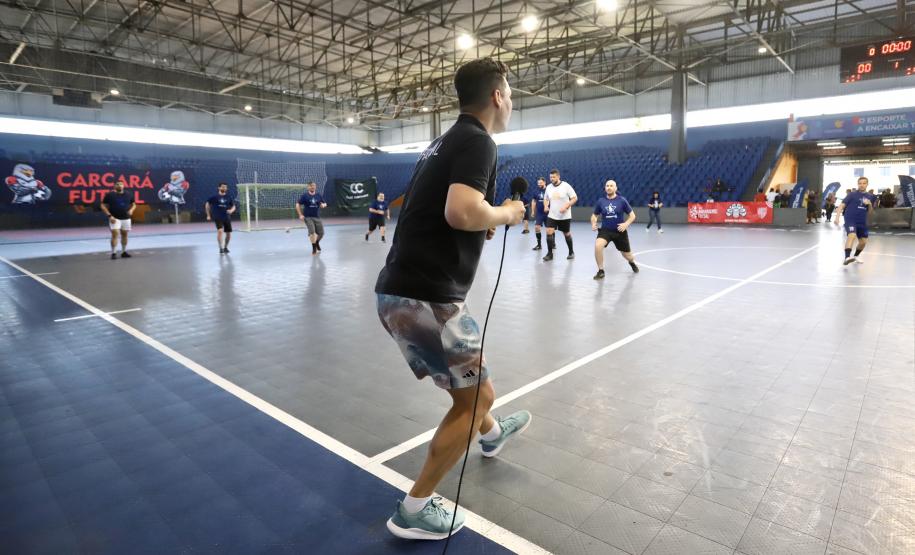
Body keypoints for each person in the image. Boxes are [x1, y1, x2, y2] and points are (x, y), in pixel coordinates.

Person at [374, 58, 530, 541]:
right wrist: (506, 213)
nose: (511, 101)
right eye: (510, 93)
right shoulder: (479, 141)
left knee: (464, 387)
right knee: (478, 395)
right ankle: (415, 509)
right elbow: (461, 211)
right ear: (498, 96)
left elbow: (444, 212)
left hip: (398, 290)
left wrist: (483, 219)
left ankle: (491, 434)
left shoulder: (442, 142)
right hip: (429, 297)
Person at [592, 180, 638, 279]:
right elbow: (594, 215)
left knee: (627, 255)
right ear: (605, 188)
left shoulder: (622, 200)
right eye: (607, 186)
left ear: (615, 188)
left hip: (619, 231)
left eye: (611, 186)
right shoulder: (601, 201)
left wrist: (626, 224)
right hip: (605, 230)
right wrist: (593, 223)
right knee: (598, 246)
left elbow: (632, 216)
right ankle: (601, 270)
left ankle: (631, 262)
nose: (609, 187)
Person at [836, 176, 876, 265]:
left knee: (863, 242)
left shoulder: (871, 196)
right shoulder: (852, 194)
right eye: (860, 183)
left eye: (864, 183)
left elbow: (870, 212)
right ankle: (847, 257)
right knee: (852, 235)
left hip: (862, 221)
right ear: (858, 184)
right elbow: (841, 205)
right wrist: (837, 217)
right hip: (851, 219)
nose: (862, 185)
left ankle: (856, 256)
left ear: (867, 184)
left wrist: (869, 204)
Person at [542, 169, 578, 261]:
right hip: (552, 215)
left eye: (553, 177)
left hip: (564, 216)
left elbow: (574, 198)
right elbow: (546, 198)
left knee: (566, 233)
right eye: (550, 177)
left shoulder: (566, 186)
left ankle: (571, 252)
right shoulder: (548, 187)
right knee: (549, 231)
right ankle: (550, 254)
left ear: (558, 176)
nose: (552, 179)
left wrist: (566, 206)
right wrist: (546, 206)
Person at [101, 180, 136, 259]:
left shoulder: (129, 194)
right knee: (115, 234)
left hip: (126, 218)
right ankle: (113, 253)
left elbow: (134, 204)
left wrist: (131, 210)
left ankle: (124, 252)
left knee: (125, 234)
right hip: (114, 218)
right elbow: (103, 205)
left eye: (121, 184)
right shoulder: (110, 195)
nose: (119, 185)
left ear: (123, 186)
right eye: (117, 184)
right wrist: (109, 216)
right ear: (114, 186)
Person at [295, 182, 327, 255]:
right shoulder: (305, 196)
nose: (313, 187)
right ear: (308, 187)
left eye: (314, 186)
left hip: (317, 217)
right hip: (308, 217)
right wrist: (300, 215)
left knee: (321, 233)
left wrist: (323, 205)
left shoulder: (318, 195)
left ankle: (317, 242)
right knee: (312, 232)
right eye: (311, 186)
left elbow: (324, 203)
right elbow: (297, 204)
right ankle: (314, 248)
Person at [205, 182, 237, 254]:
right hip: (218, 217)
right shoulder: (214, 197)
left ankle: (225, 247)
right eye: (222, 187)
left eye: (225, 187)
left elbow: (233, 206)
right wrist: (208, 215)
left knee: (228, 233)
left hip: (226, 217)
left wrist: (231, 211)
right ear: (219, 188)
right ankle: (221, 248)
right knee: (220, 231)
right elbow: (207, 204)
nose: (224, 188)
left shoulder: (228, 197)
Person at [530, 177, 548, 250]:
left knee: (550, 230)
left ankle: (552, 243)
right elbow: (534, 201)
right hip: (539, 213)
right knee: (537, 228)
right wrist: (532, 211)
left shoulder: (549, 190)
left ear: (544, 182)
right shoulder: (536, 191)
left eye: (540, 183)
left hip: (548, 213)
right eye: (538, 183)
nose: (539, 184)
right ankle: (539, 245)